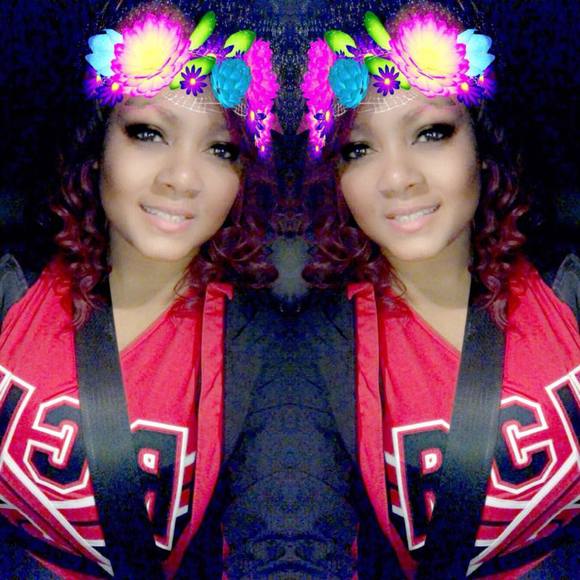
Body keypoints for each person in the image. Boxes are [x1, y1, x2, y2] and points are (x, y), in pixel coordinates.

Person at [0, 2, 280, 577]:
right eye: (148, 133)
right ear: (98, 145)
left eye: (221, 148)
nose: (181, 177)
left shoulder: (263, 355)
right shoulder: (14, 285)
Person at [301, 1, 579, 577]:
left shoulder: (566, 285)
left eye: (430, 133)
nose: (398, 177)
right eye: (358, 148)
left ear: (481, 144)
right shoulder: (316, 356)